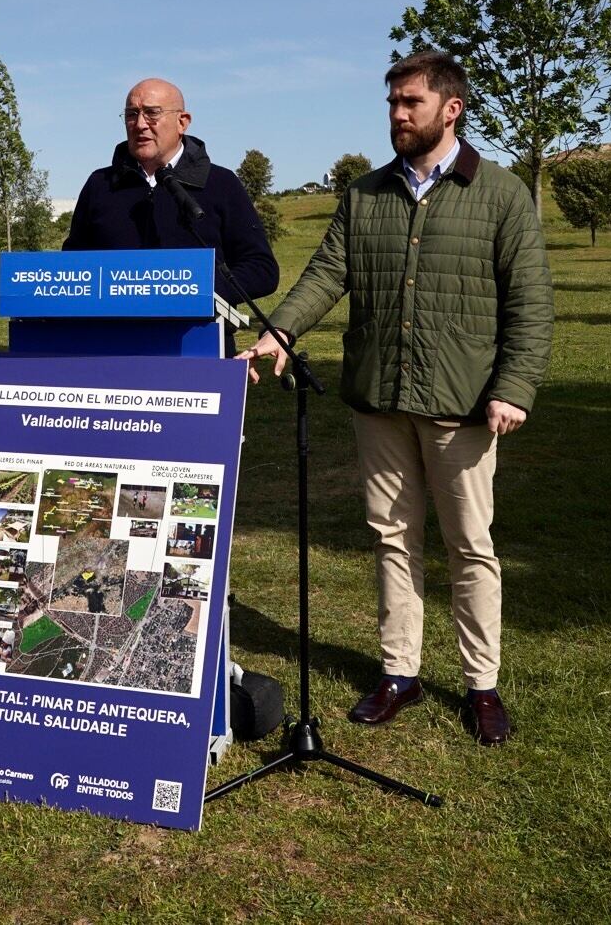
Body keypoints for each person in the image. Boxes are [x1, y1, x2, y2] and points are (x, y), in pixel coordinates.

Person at [241, 49, 552, 745]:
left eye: (411, 102)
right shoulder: (365, 194)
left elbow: (530, 304)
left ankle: (481, 685)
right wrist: (281, 332)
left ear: (451, 108)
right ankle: (398, 673)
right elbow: (327, 272)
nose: (398, 114)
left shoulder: (500, 194)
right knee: (391, 539)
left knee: (469, 547)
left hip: (462, 404)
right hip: (378, 400)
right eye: (392, 103)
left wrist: (513, 388)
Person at [64, 77, 278, 313]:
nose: (140, 124)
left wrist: (194, 291)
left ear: (182, 122)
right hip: (112, 332)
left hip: (198, 333)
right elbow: (72, 271)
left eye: (152, 113)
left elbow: (261, 269)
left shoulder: (221, 183)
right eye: (132, 114)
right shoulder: (99, 185)